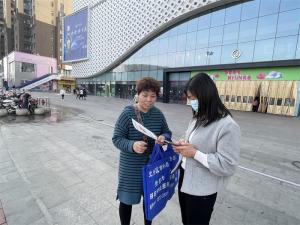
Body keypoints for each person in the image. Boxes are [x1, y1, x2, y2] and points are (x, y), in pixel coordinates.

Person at [172, 73, 240, 225]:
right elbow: (191, 139)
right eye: (189, 98)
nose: (191, 102)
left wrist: (195, 153)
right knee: (186, 220)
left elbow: (228, 164)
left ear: (207, 95)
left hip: (202, 189)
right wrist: (183, 143)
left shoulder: (227, 125)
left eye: (194, 98)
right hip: (186, 177)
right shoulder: (199, 116)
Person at [112, 77, 172, 225]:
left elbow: (167, 132)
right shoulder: (127, 114)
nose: (149, 100)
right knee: (126, 200)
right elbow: (117, 138)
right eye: (145, 95)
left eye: (153, 96)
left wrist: (163, 137)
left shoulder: (158, 114)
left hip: (151, 166)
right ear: (138, 94)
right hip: (130, 167)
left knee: (150, 199)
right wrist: (132, 145)